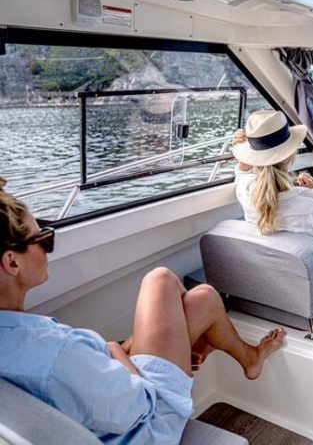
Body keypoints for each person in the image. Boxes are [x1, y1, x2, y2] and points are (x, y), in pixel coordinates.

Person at [0, 176, 285, 444]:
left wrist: (112, 352)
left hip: (117, 405)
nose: (48, 248)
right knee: (169, 283)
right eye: (44, 240)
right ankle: (232, 351)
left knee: (202, 298)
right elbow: (138, 403)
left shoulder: (18, 340)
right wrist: (114, 350)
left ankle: (235, 353)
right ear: (12, 262)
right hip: (150, 423)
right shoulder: (56, 356)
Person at [231, 109, 313, 299]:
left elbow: (241, 175)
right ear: (290, 154)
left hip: (279, 286)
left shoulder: (247, 193)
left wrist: (245, 157)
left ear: (252, 155)